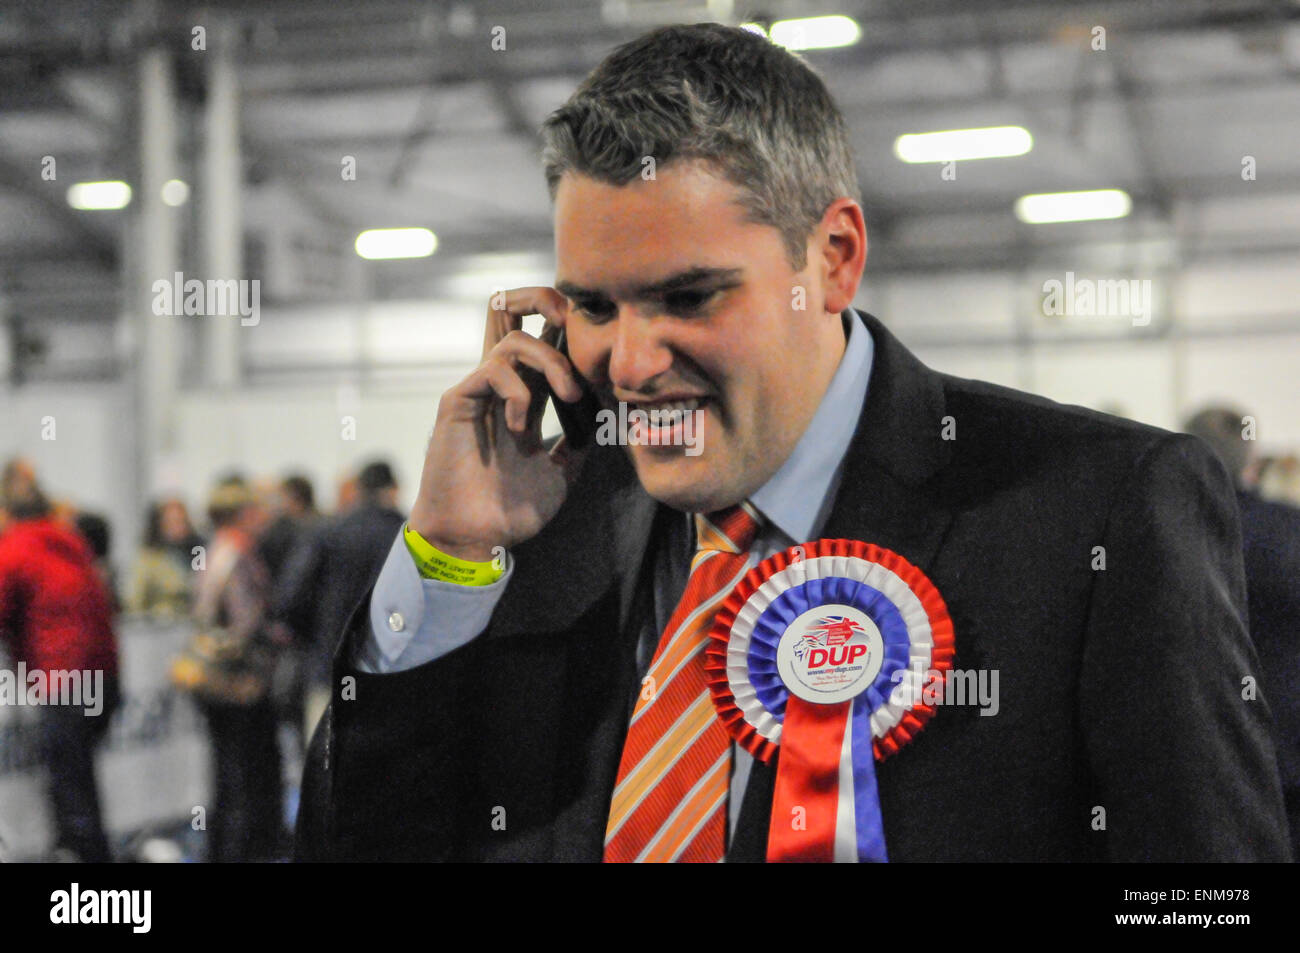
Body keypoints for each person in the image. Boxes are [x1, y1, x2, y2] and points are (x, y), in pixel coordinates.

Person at [297, 23, 1289, 862]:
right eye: (594, 303)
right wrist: (444, 560)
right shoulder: (533, 520)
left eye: (689, 295)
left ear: (834, 258)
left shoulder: (1099, 508)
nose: (632, 360)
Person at [1185, 407, 1300, 860]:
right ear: (1252, 461)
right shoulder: (1288, 529)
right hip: (1288, 745)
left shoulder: (1163, 531)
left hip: (1204, 751)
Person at [0, 463, 120, 862]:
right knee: (79, 782)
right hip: (103, 677)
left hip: (64, 679)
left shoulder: (16, 549)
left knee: (70, 788)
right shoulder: (70, 541)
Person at [273, 461, 404, 743]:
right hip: (392, 671)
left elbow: (288, 599)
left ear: (358, 489)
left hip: (329, 667)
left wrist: (313, 638)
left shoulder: (327, 532)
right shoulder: (409, 536)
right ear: (393, 489)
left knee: (328, 767)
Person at [191, 478, 284, 862]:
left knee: (233, 771)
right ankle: (238, 851)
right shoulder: (235, 554)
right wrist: (277, 633)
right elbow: (244, 622)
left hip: (226, 677)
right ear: (243, 514)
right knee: (242, 772)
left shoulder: (219, 551)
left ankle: (231, 849)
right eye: (257, 509)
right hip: (237, 680)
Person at [127, 498, 205, 618]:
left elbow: (202, 585)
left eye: (182, 521)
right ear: (160, 524)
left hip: (194, 619)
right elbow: (135, 600)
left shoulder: (197, 552)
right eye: (172, 522)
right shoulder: (150, 558)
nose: (179, 527)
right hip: (163, 624)